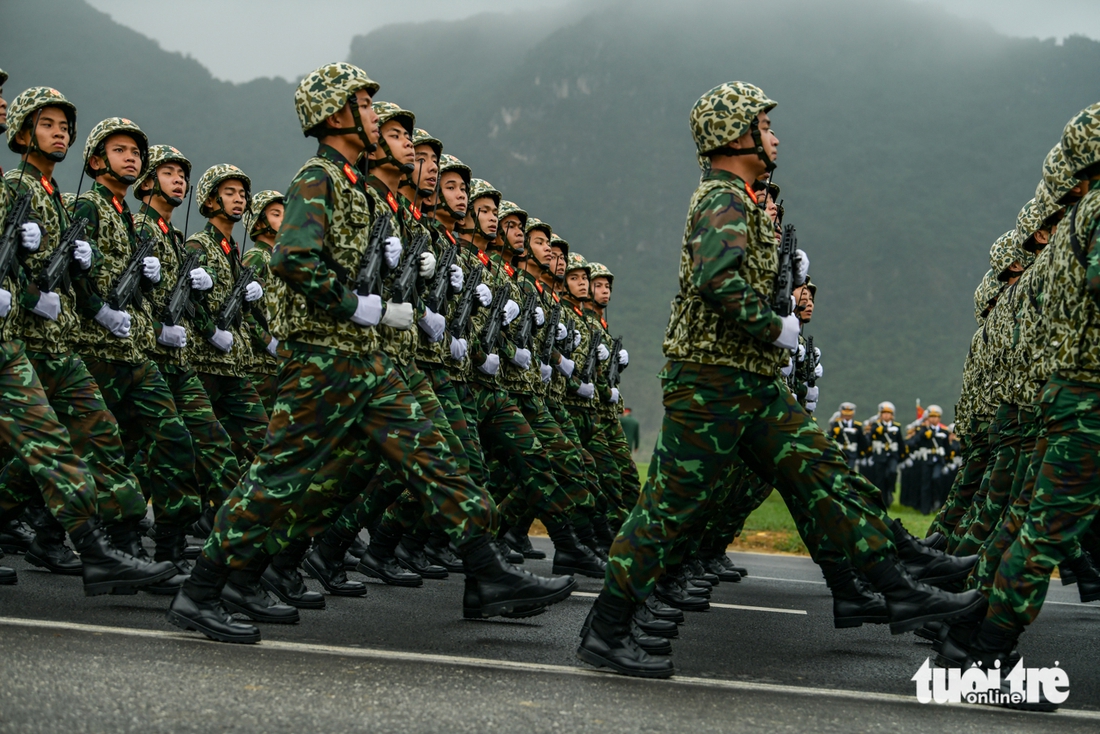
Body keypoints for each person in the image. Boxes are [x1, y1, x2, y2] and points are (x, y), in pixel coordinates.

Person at [576, 81, 981, 679]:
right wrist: (776, 327)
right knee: (669, 508)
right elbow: (718, 280)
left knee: (825, 473)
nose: (774, 135)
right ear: (734, 135)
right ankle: (606, 629)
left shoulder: (739, 196)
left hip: (749, 380)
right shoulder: (724, 199)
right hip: (711, 381)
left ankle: (897, 584)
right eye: (764, 125)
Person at [166, 62, 574, 644]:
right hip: (325, 356)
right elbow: (293, 258)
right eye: (363, 103)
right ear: (336, 115)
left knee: (437, 455)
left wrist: (397, 291)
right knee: (278, 475)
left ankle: (486, 572)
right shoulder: (318, 179)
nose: (373, 114)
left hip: (371, 358)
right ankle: (203, 590)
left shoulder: (361, 191)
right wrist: (354, 305)